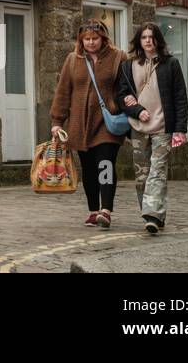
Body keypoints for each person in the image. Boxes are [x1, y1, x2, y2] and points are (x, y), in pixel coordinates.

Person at [50, 18, 130, 230]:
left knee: (105, 164)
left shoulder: (118, 57)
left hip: (106, 122)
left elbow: (127, 87)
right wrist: (57, 121)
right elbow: (63, 91)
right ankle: (93, 211)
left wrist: (124, 107)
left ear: (104, 39)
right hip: (80, 124)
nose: (91, 43)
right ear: (81, 41)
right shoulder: (72, 59)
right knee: (88, 169)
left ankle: (106, 210)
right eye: (87, 39)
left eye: (95, 38)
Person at [117, 21, 188, 234]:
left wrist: (180, 128)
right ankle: (152, 213)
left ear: (158, 39)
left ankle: (152, 216)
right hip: (138, 127)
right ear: (139, 41)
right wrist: (137, 110)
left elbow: (180, 97)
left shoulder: (171, 64)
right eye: (144, 37)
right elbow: (120, 96)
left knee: (157, 172)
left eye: (152, 36)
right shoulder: (128, 66)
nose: (148, 40)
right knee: (142, 175)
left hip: (163, 128)